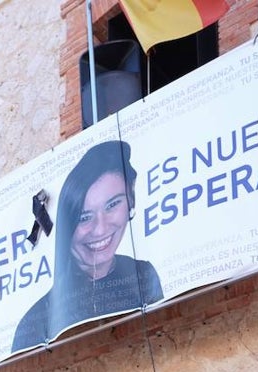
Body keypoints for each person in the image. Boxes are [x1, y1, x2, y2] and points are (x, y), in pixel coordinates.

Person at [12, 140, 163, 351]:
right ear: (66, 228)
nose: (100, 229)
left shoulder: (144, 275)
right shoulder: (35, 323)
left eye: (112, 205)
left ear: (131, 200)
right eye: (84, 217)